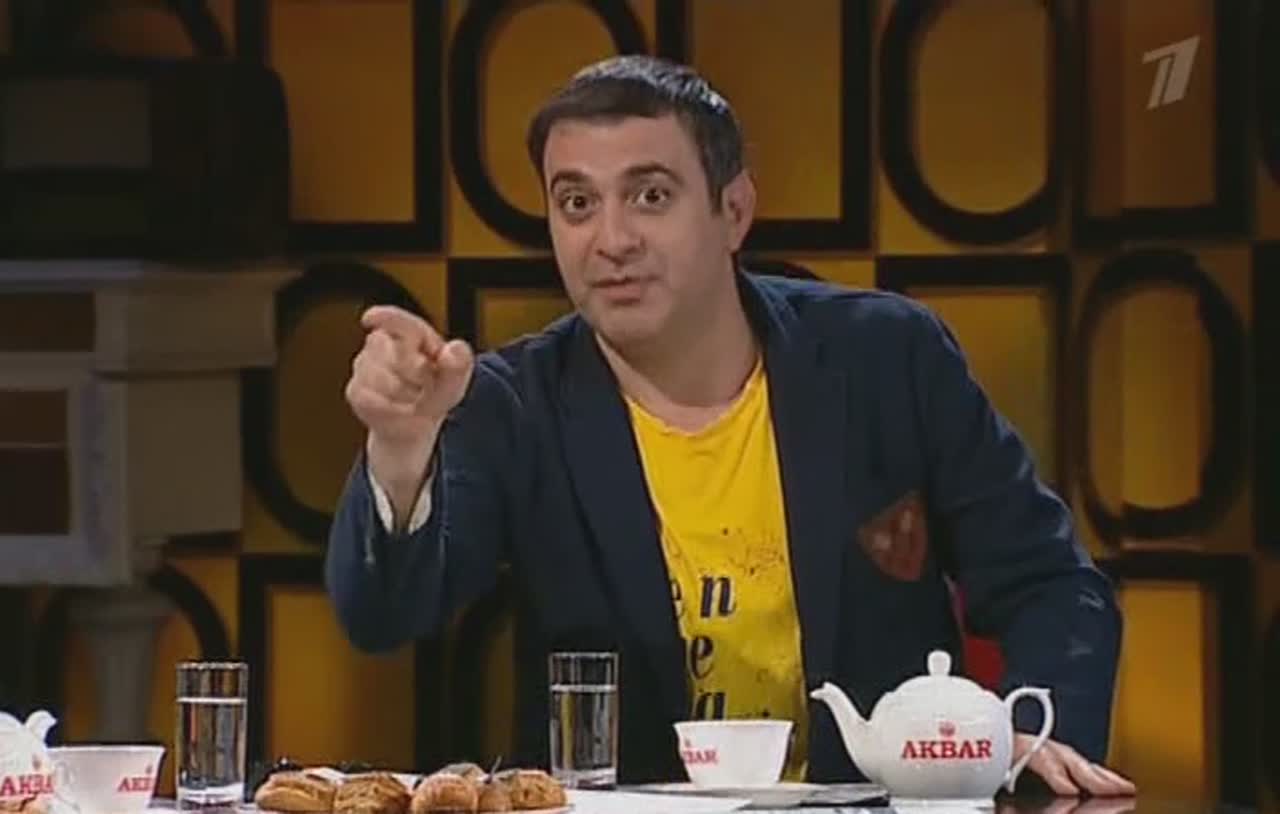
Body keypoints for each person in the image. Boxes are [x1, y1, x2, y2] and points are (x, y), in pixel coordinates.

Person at [326, 54, 1135, 796]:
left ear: (734, 209)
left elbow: (1051, 583)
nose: (611, 240)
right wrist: (401, 448)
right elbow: (383, 615)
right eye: (576, 203)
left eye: (650, 196)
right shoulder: (515, 402)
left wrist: (1034, 740)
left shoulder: (888, 358)